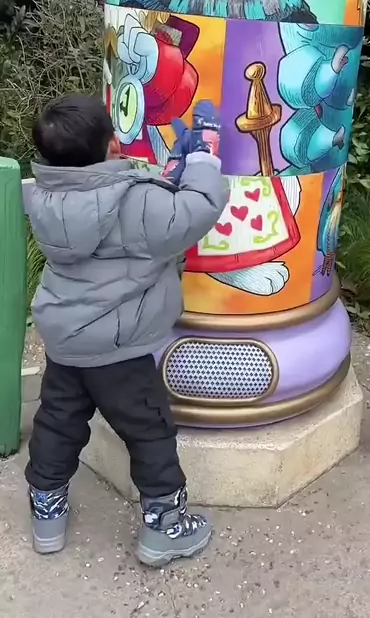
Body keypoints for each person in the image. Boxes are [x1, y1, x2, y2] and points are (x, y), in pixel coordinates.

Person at [25, 93, 230, 567]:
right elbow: (196, 209)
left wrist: (167, 172)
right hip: (120, 348)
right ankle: (165, 528)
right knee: (149, 431)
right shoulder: (136, 201)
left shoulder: (45, 197)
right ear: (114, 146)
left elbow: (110, 209)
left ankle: (47, 518)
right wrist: (202, 159)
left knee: (58, 422)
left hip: (66, 341)